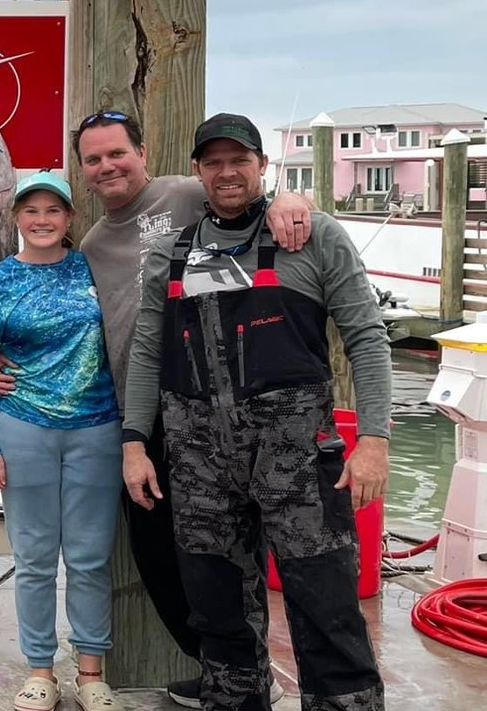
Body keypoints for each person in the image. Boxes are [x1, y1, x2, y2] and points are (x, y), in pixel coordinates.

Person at [0, 110, 311, 707]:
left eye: (117, 153)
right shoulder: (89, 243)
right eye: (93, 159)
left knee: (223, 546)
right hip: (136, 414)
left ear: (142, 152)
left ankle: (244, 670)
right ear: (83, 173)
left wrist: (291, 200)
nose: (108, 166)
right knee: (156, 551)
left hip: (209, 403)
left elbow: (245, 190)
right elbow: (66, 321)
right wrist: (0, 355)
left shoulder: (186, 192)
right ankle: (219, 666)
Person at [124, 113, 389, 711]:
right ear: (198, 172)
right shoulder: (172, 253)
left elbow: (367, 337)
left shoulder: (313, 235)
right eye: (213, 162)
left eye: (239, 160)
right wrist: (135, 442)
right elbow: (147, 349)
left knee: (324, 602)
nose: (227, 172)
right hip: (198, 464)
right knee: (216, 605)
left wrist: (373, 438)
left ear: (262, 166)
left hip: (294, 458)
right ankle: (235, 698)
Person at [0, 171, 123, 711]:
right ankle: (39, 670)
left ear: (69, 219)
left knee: (89, 556)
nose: (42, 220)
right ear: (16, 220)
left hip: (97, 428)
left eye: (52, 211)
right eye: (31, 211)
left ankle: (90, 671)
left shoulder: (93, 269)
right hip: (22, 427)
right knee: (34, 558)